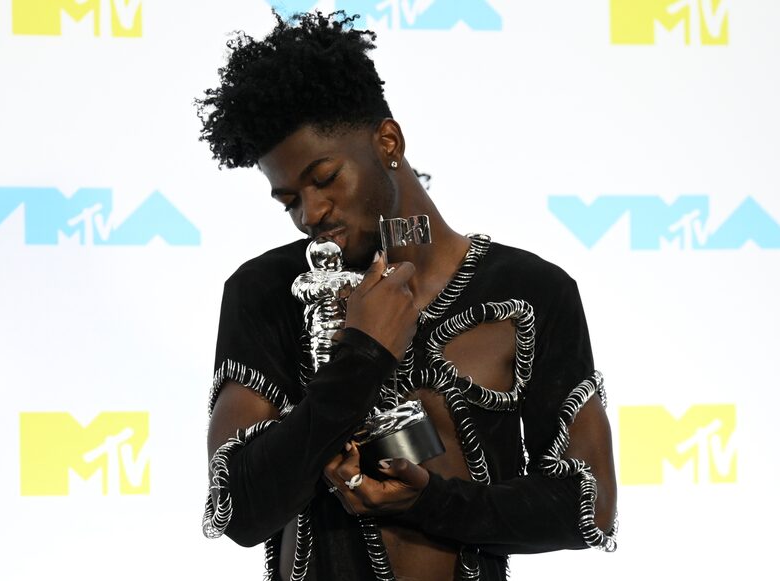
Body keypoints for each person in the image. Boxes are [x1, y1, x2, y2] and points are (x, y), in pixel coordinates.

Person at [197, 11, 618, 581]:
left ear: (387, 140)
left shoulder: (530, 292)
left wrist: (430, 504)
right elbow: (239, 510)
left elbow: (587, 508)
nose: (310, 214)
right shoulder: (267, 293)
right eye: (289, 199)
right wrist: (364, 353)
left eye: (324, 178)